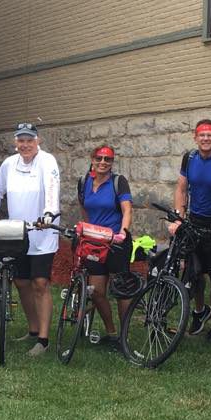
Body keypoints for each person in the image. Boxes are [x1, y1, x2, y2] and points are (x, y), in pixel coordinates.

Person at [0, 122, 61, 357]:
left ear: (37, 141)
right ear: (15, 142)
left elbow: (52, 188)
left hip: (43, 231)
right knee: (21, 282)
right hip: (17, 232)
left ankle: (44, 339)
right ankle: (33, 328)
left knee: (40, 283)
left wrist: (49, 213)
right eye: (21, 140)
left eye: (30, 140)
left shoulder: (47, 161)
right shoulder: (9, 164)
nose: (25, 144)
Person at [169, 119, 211, 343]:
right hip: (194, 222)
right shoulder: (189, 159)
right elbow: (180, 189)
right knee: (194, 272)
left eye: (210, 135)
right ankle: (200, 311)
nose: (206, 138)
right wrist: (179, 217)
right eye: (202, 135)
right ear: (195, 137)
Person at [76, 144, 133, 346]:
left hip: (116, 242)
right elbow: (83, 206)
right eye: (99, 158)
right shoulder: (83, 182)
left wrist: (122, 232)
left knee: (120, 290)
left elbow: (127, 209)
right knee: (97, 291)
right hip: (94, 243)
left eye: (107, 159)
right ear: (92, 159)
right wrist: (85, 228)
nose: (103, 162)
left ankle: (124, 337)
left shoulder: (118, 182)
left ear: (112, 162)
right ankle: (112, 333)